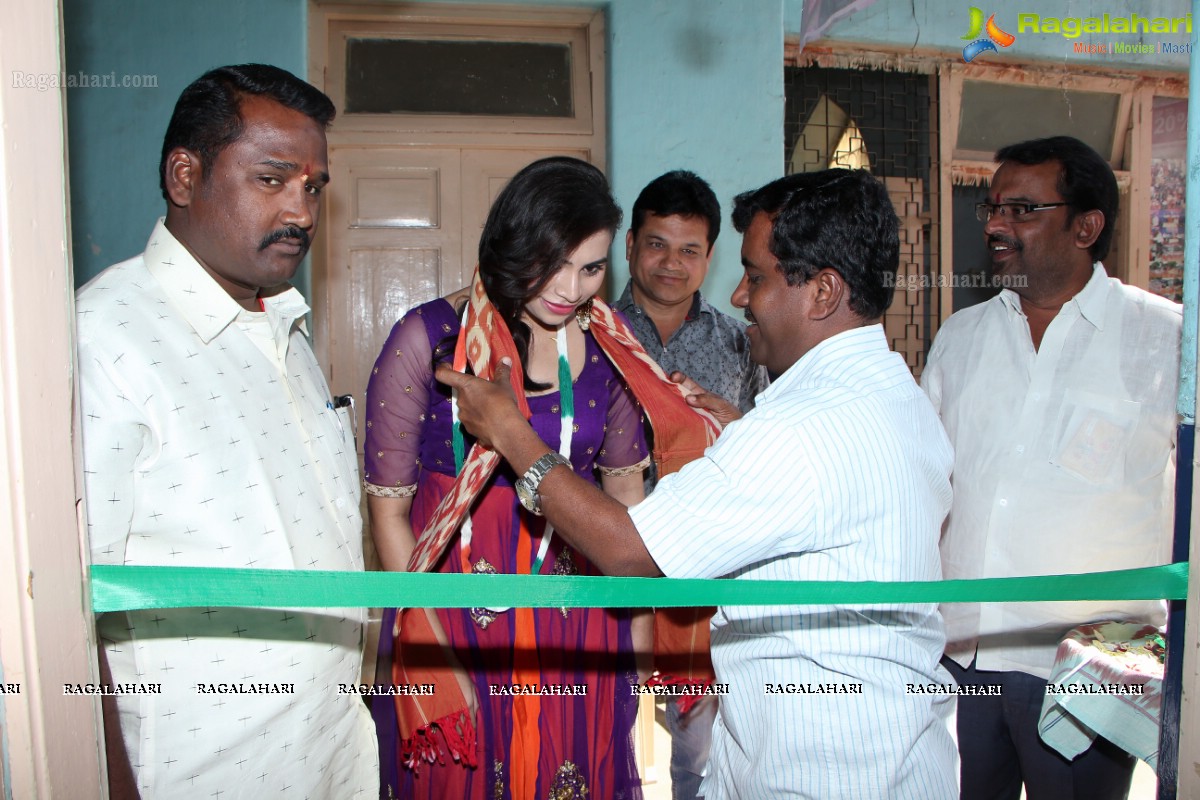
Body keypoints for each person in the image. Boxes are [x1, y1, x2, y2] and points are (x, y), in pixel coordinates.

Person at [442, 168, 959, 799]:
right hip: (893, 743)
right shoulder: (896, 397)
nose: (740, 296)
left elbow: (629, 552)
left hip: (818, 760)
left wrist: (511, 433)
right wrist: (742, 430)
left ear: (823, 292)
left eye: (758, 276)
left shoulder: (799, 430)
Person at [77, 65, 377, 798]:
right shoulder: (102, 340)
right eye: (272, 180)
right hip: (207, 772)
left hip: (330, 750)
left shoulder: (282, 323)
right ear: (185, 176)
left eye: (313, 188)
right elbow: (63, 608)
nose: (301, 212)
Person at [366, 156, 704, 800]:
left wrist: (634, 650)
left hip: (578, 628)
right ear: (513, 244)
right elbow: (388, 512)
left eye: (592, 267)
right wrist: (425, 640)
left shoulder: (611, 346)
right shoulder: (429, 338)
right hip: (455, 615)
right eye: (554, 263)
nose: (570, 288)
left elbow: (626, 503)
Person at [923, 135, 1180, 798]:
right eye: (993, 209)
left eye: (1023, 210)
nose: (997, 226)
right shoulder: (961, 338)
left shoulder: (1166, 340)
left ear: (1086, 226)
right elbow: (926, 482)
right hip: (965, 658)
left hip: (1093, 667)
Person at [613, 169, 767, 800]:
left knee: (697, 750)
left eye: (689, 250)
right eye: (656, 244)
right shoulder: (593, 332)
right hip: (610, 557)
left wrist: (731, 423)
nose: (671, 264)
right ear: (629, 246)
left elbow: (766, 446)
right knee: (605, 721)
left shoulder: (739, 342)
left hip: (705, 567)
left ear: (709, 258)